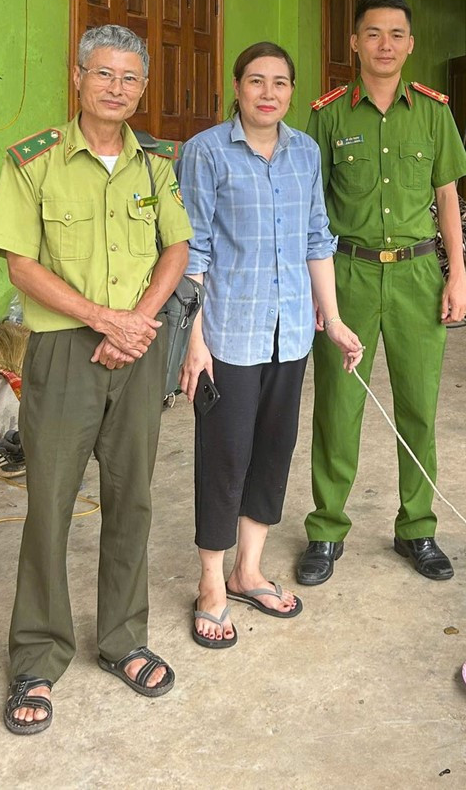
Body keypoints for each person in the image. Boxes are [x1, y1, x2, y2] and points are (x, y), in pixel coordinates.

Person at [0, 25, 192, 734]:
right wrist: (106, 319)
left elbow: (178, 247)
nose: (117, 88)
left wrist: (135, 322)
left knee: (132, 495)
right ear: (78, 77)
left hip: (137, 348)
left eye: (131, 78)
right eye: (104, 74)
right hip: (65, 349)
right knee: (51, 503)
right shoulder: (35, 161)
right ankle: (37, 655)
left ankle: (124, 639)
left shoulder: (157, 163)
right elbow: (20, 262)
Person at [177, 42, 363, 647]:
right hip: (229, 333)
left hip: (290, 335)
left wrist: (331, 321)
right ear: (236, 87)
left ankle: (247, 570)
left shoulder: (305, 152)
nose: (268, 93)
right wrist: (194, 341)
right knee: (224, 454)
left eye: (280, 83)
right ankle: (210, 582)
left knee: (273, 450)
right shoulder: (206, 152)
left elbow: (317, 239)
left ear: (291, 91)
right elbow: (193, 252)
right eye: (256, 81)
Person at [297, 0, 466, 587]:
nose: (385, 45)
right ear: (354, 42)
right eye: (373, 34)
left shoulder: (433, 111)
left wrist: (460, 273)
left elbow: (448, 196)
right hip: (345, 273)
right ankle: (325, 530)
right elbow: (311, 203)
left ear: (410, 44)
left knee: (418, 406)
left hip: (418, 274)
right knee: (338, 407)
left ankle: (416, 528)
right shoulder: (327, 115)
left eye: (396, 34)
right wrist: (313, 290)